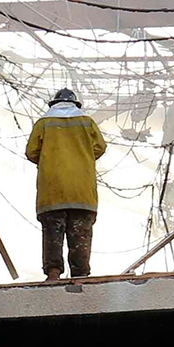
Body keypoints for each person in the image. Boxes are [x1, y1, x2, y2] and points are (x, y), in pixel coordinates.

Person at [24, 88, 106, 281]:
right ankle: (81, 275)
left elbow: (31, 152)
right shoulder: (87, 122)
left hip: (52, 190)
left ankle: (53, 273)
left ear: (54, 103)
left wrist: (49, 159)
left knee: (53, 233)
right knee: (80, 236)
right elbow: (100, 147)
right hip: (82, 192)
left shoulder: (44, 123)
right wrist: (82, 156)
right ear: (75, 104)